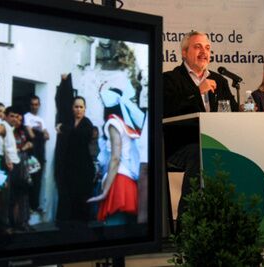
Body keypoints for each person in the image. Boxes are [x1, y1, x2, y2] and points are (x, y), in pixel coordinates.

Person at [162, 31, 238, 232]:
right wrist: (198, 91)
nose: (204, 52)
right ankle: (188, 227)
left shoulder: (219, 81)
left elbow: (232, 110)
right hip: (180, 146)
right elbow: (167, 110)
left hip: (214, 141)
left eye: (207, 48)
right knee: (199, 152)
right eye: (197, 47)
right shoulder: (170, 79)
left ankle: (230, 222)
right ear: (184, 52)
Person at [87, 88, 144, 225]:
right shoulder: (125, 123)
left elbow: (115, 158)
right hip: (128, 181)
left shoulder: (113, 123)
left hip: (118, 181)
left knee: (114, 231)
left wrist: (105, 192)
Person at [55, 96, 95, 225]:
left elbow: (80, 136)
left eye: (81, 107)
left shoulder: (87, 124)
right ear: (72, 108)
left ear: (85, 109)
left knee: (82, 198)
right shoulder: (69, 122)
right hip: (69, 168)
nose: (78, 110)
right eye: (76, 107)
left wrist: (63, 129)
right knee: (69, 198)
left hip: (84, 169)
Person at [23, 95, 49, 212]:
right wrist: (39, 133)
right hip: (31, 152)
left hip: (40, 152)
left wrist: (38, 132)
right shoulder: (26, 117)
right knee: (29, 179)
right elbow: (31, 135)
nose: (34, 107)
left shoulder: (41, 119)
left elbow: (47, 136)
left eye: (36, 104)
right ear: (30, 105)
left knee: (38, 179)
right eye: (32, 104)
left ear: (39, 105)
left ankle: (35, 205)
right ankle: (27, 206)